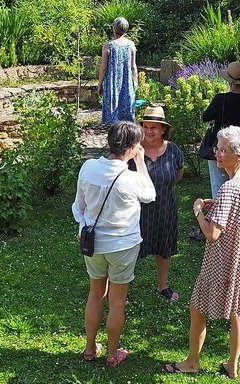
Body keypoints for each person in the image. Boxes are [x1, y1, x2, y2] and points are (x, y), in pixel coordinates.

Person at [164, 126, 240, 379]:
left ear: (239, 154)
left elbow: (212, 234)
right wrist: (218, 205)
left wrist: (198, 209)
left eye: (224, 150)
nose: (217, 153)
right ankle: (232, 365)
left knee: (197, 307)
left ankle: (192, 362)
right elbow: (238, 210)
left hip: (224, 259)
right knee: (237, 311)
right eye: (217, 148)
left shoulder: (229, 188)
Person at [72, 121, 155, 367]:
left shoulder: (88, 167)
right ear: (131, 147)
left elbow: (79, 207)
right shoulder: (130, 179)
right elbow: (150, 195)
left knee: (95, 295)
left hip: (93, 244)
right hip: (123, 247)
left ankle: (89, 348)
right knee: (116, 302)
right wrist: (140, 162)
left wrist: (82, 228)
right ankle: (111, 354)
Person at [190, 62, 240, 242]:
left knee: (218, 185)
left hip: (222, 145)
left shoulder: (221, 98)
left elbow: (205, 117)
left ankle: (217, 225)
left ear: (229, 80)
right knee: (236, 182)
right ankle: (234, 220)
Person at [128, 106, 184, 301]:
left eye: (154, 127)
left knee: (164, 248)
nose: (149, 131)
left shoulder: (174, 151)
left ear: (163, 130)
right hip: (136, 209)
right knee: (130, 249)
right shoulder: (132, 149)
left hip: (165, 207)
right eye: (146, 126)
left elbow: (177, 176)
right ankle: (123, 288)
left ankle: (163, 286)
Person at [98, 17, 138, 123]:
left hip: (112, 84)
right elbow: (133, 66)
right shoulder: (131, 45)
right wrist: (135, 83)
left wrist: (99, 84)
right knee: (127, 115)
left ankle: (114, 134)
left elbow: (104, 68)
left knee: (112, 115)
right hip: (127, 83)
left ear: (113, 28)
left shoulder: (108, 45)